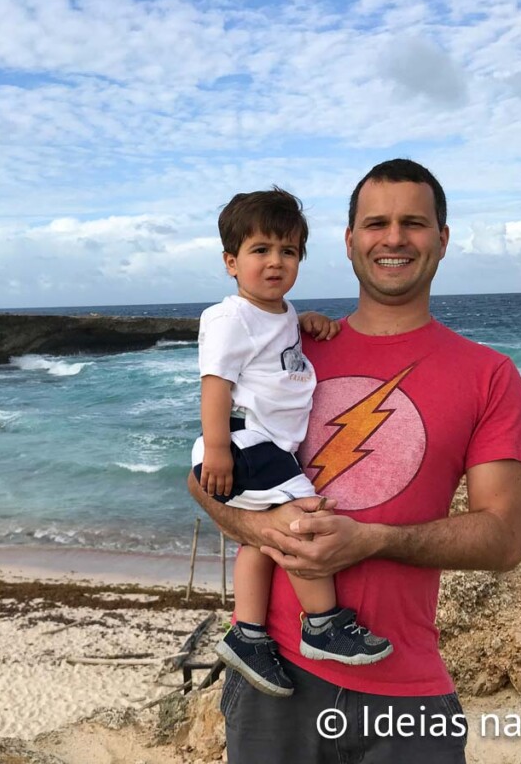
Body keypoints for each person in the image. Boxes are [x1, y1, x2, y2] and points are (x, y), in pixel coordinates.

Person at [188, 159, 521, 764]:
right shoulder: (291, 348)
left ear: (442, 238)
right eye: (376, 223)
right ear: (350, 241)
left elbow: (504, 540)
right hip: (277, 678)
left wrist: (371, 540)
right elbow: (204, 477)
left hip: (406, 686)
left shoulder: (489, 375)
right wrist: (264, 528)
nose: (394, 238)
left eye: (413, 223)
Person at [192, 187, 393, 700]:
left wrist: (304, 324)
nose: (275, 262)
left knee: (261, 540)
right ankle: (322, 623)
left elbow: (273, 346)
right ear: (231, 262)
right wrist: (217, 449)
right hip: (245, 442)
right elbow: (216, 384)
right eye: (260, 250)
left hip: (267, 446)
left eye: (288, 251)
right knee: (305, 521)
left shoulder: (279, 313)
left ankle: (247, 633)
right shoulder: (229, 318)